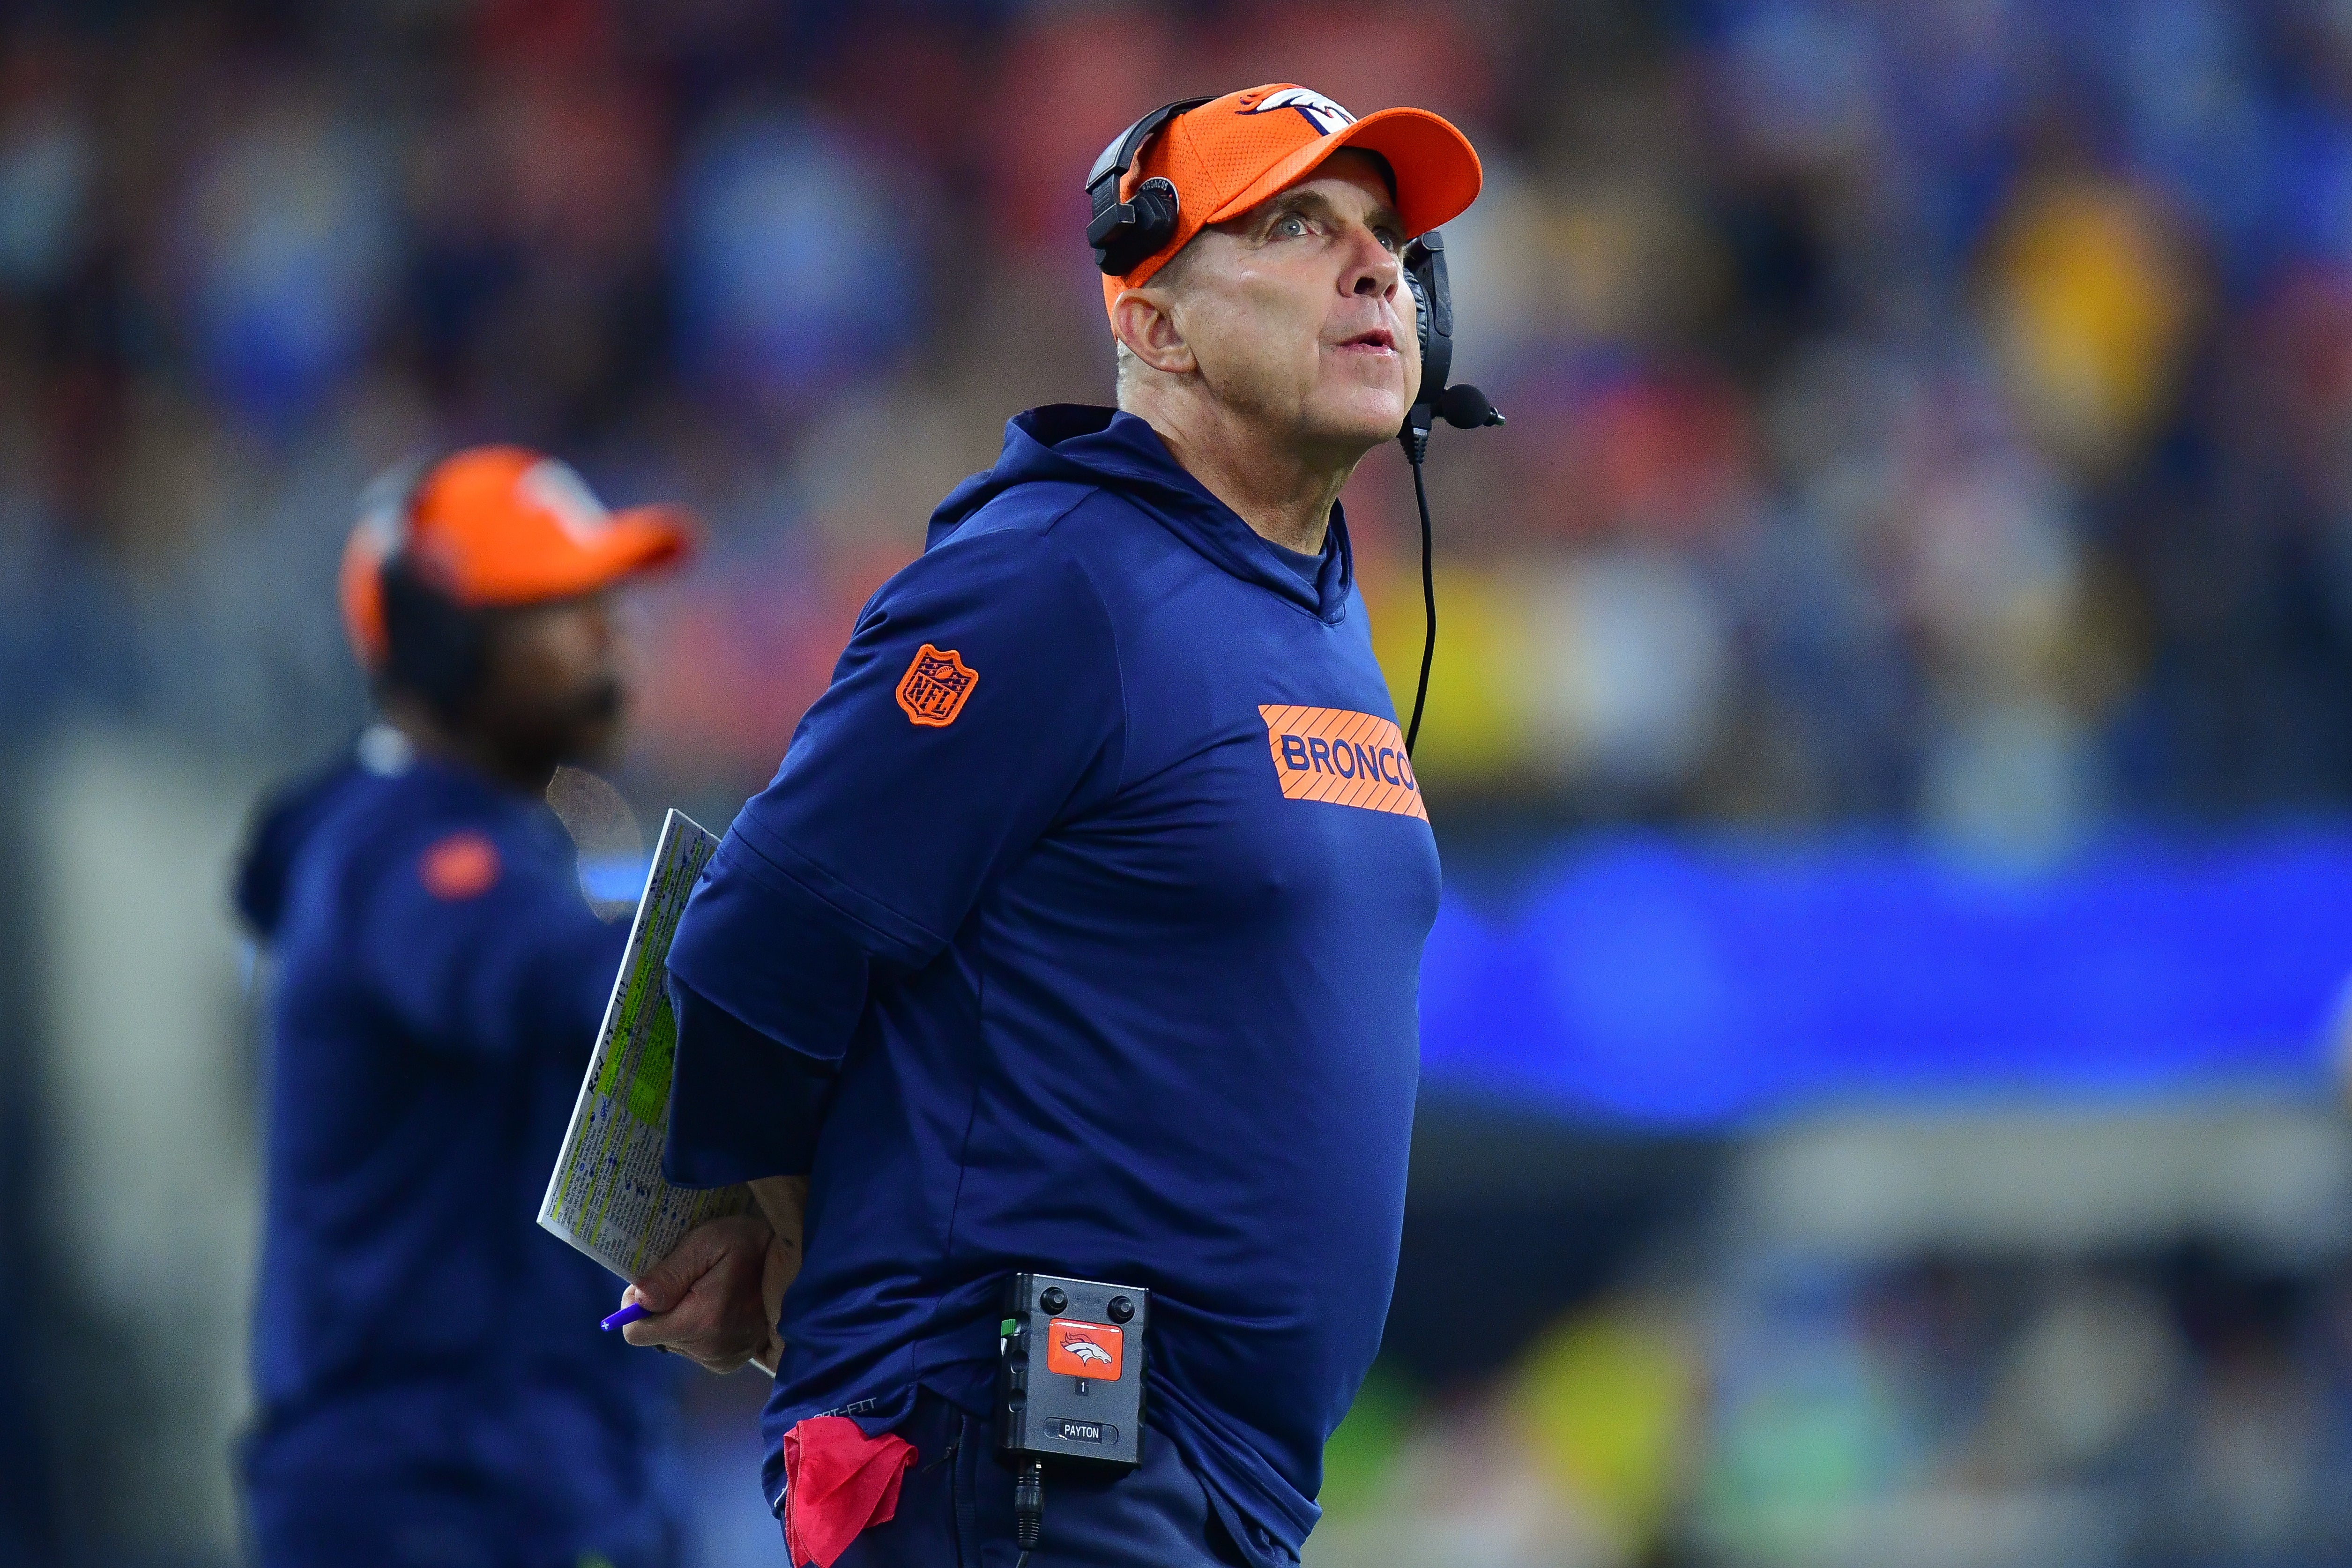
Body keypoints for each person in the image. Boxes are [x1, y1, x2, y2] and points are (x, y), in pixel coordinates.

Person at [620, 82, 1482, 1567]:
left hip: (1189, 1479)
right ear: (1152, 324)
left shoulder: (1311, 606)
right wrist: (783, 1228)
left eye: (1391, 244)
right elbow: (759, 931)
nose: (1372, 271)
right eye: (1294, 226)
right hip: (1017, 1449)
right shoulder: (1052, 581)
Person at [233, 446, 694, 1568]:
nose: (612, 631)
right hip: (437, 1488)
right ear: (442, 644)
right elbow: (563, 984)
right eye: (558, 603)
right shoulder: (399, 851)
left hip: (517, 1470)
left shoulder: (489, 840)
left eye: (608, 596)